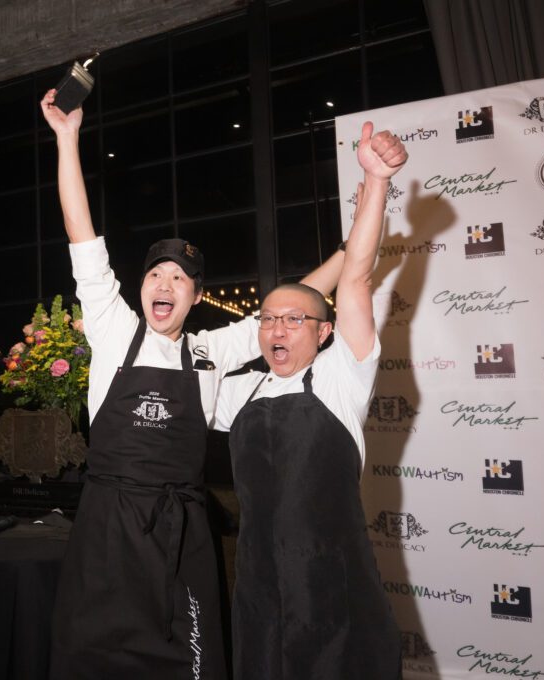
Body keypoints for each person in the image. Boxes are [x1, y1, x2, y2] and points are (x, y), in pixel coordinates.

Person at [40, 89, 344, 678]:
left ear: (196, 296)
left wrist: (349, 255)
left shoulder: (207, 356)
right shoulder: (112, 330)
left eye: (179, 277)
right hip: (107, 531)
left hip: (182, 537)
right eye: (156, 272)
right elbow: (82, 236)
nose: (164, 282)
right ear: (141, 286)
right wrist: (67, 138)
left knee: (190, 665)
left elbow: (289, 307)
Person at [213, 122, 408, 679]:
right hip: (257, 585)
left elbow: (357, 279)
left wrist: (375, 182)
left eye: (295, 319)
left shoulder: (341, 378)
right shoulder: (238, 393)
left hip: (333, 587)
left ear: (324, 333)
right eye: (268, 319)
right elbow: (172, 390)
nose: (278, 328)